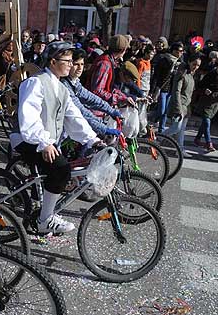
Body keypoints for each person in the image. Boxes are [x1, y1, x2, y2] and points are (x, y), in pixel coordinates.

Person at [10, 41, 101, 234]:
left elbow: (74, 116)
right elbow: (29, 117)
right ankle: (45, 220)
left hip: (45, 141)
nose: (71, 64)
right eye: (67, 60)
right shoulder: (35, 82)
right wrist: (44, 142)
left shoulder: (61, 88)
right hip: (27, 139)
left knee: (61, 168)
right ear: (52, 61)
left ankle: (45, 211)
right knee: (61, 169)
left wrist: (93, 140)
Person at [60, 48, 122, 137]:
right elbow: (80, 110)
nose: (80, 68)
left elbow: (90, 98)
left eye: (82, 64)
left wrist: (110, 110)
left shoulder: (75, 82)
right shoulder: (64, 84)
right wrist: (103, 128)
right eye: (76, 64)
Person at [163, 54, 202, 157]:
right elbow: (176, 91)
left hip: (186, 106)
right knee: (176, 128)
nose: (196, 67)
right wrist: (178, 108)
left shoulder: (191, 75)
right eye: (194, 64)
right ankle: (157, 137)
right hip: (179, 104)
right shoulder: (181, 73)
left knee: (181, 130)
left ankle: (180, 150)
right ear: (189, 62)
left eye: (198, 65)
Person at [193, 61, 218, 152]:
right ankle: (208, 143)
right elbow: (199, 85)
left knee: (205, 123)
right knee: (207, 122)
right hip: (206, 102)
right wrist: (205, 90)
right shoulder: (210, 75)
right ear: (216, 68)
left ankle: (197, 139)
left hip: (215, 103)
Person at [88, 34, 135, 107]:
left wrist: (123, 97)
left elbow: (109, 87)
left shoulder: (109, 61)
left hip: (98, 106)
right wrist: (118, 99)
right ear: (122, 50)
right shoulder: (105, 63)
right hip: (94, 108)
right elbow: (97, 90)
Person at [151, 42, 184, 132]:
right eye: (178, 51)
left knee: (165, 111)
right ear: (172, 51)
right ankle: (154, 119)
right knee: (162, 110)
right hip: (162, 88)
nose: (179, 53)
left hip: (171, 89)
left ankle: (161, 130)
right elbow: (157, 75)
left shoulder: (180, 63)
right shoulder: (164, 60)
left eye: (181, 51)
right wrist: (153, 89)